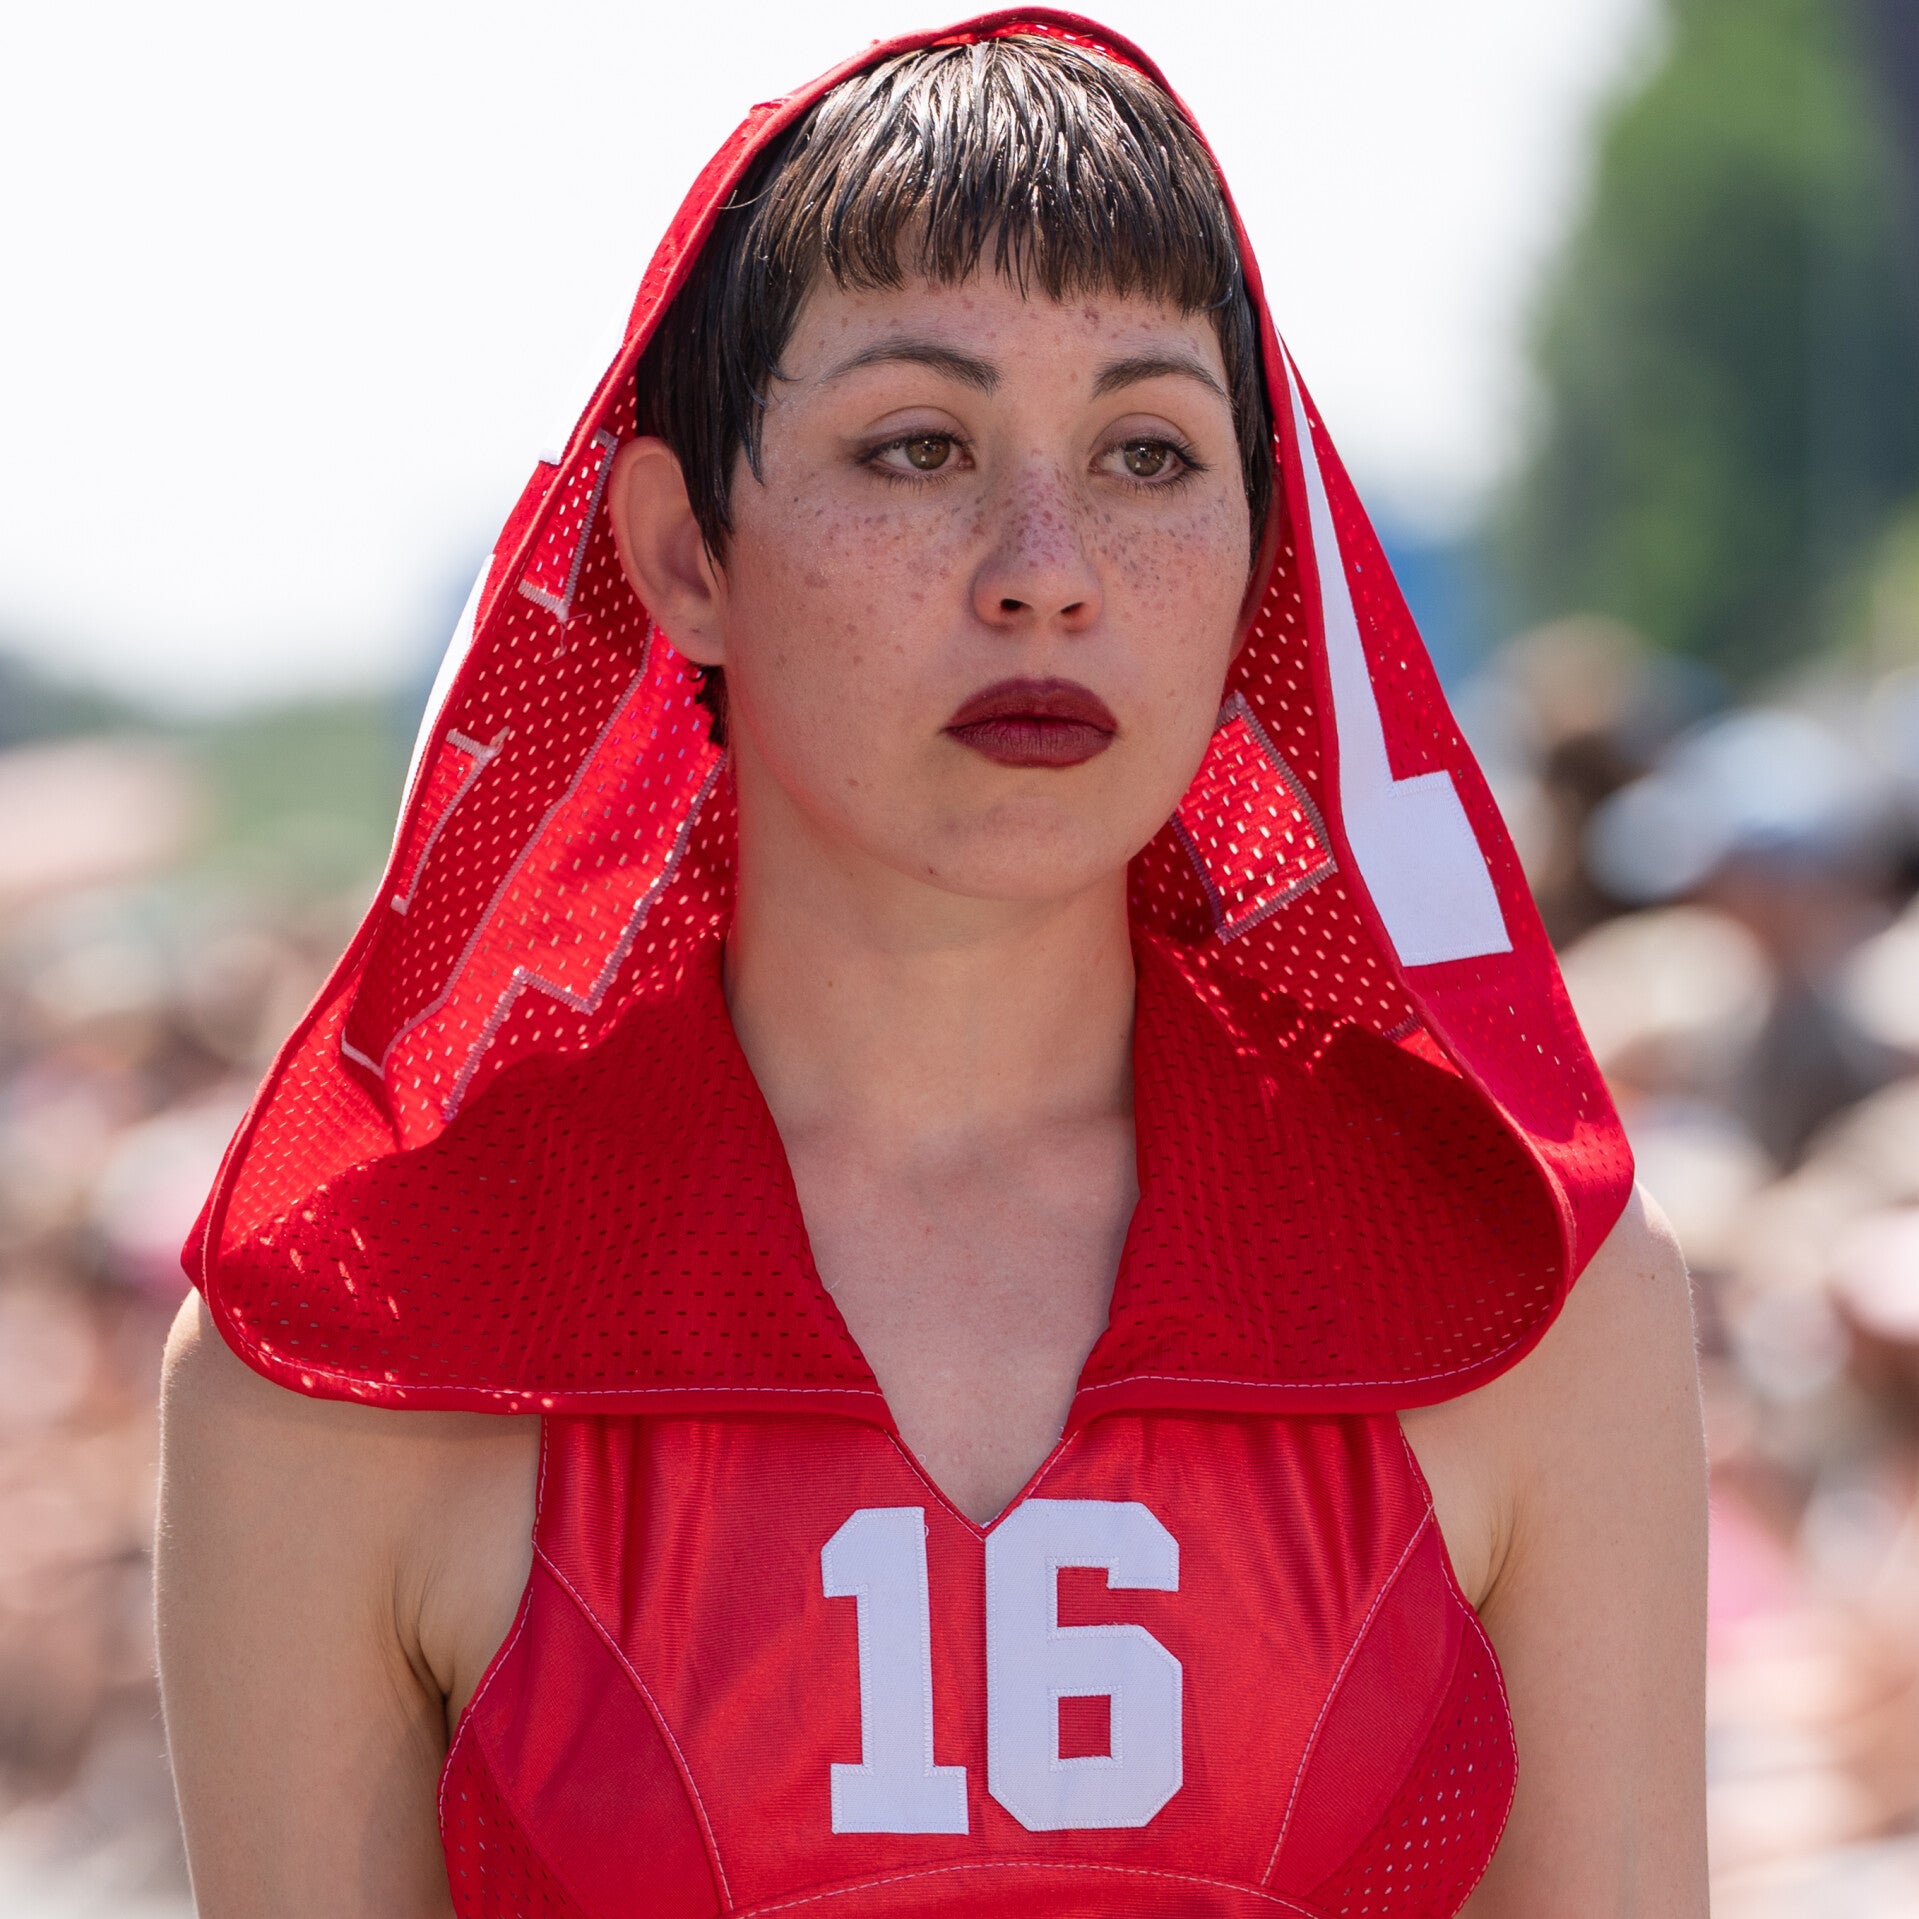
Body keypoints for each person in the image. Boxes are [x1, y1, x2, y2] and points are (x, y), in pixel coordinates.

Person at [156, 14, 1708, 1916]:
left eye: (1149, 452)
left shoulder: (1528, 1286)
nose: (1045, 566)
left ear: (1261, 555)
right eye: (917, 445)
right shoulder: (358, 1336)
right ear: (683, 554)